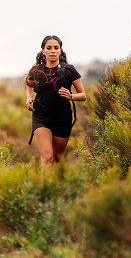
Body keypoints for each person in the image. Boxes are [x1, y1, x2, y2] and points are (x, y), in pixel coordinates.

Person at [25, 35, 86, 167]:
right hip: (41, 117)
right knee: (47, 157)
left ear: (60, 51)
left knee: (57, 162)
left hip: (62, 120)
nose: (53, 50)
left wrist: (71, 96)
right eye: (49, 48)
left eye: (56, 48)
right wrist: (29, 98)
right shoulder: (36, 70)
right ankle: (45, 187)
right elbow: (28, 84)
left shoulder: (69, 70)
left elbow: (83, 95)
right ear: (43, 51)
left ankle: (57, 186)